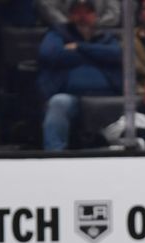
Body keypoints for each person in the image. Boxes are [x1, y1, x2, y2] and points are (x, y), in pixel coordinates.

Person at [37, 0, 122, 150]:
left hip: (107, 96)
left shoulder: (107, 37)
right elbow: (50, 54)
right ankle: (54, 155)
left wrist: (79, 47)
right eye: (77, 12)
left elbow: (116, 54)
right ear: (70, 15)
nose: (82, 16)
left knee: (130, 105)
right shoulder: (57, 33)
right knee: (58, 103)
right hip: (72, 96)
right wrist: (95, 55)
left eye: (87, 12)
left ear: (95, 15)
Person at [36, 0, 121, 27]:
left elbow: (114, 14)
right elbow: (44, 5)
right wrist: (69, 24)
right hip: (63, 35)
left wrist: (95, 22)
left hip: (99, 33)